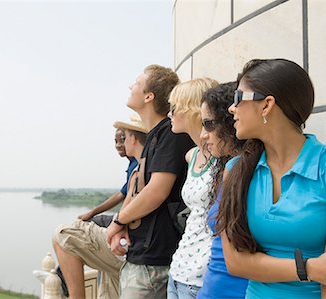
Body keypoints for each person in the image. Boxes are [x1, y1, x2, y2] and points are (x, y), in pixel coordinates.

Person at [217, 58, 326, 298]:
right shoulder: (235, 170)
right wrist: (309, 268)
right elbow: (236, 262)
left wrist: (318, 271)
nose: (231, 108)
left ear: (267, 105)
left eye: (239, 98)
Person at [106, 64, 194, 298]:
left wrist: (117, 221)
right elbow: (138, 190)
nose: (130, 87)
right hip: (142, 255)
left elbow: (156, 191)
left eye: (135, 83)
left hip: (155, 261)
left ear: (149, 96)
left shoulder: (170, 134)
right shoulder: (156, 135)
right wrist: (124, 226)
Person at [52, 117, 148, 299]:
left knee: (64, 234)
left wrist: (117, 225)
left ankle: (65, 280)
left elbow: (128, 201)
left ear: (133, 139)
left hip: (134, 245)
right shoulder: (140, 165)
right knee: (93, 228)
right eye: (116, 141)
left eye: (124, 138)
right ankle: (62, 270)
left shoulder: (140, 168)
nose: (120, 144)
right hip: (135, 238)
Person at [165, 77, 219, 299]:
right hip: (179, 268)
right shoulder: (191, 155)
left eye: (174, 108)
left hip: (204, 275)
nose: (170, 114)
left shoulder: (225, 159)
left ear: (193, 110)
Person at [195, 82, 249, 299]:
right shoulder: (229, 169)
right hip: (212, 289)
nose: (203, 134)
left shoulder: (246, 169)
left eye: (208, 124)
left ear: (230, 121)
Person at [77, 127, 137, 226]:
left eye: (122, 140)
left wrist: (119, 224)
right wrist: (91, 213)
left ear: (133, 139)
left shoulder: (136, 165)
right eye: (116, 141)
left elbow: (122, 196)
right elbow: (122, 193)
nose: (118, 145)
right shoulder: (132, 163)